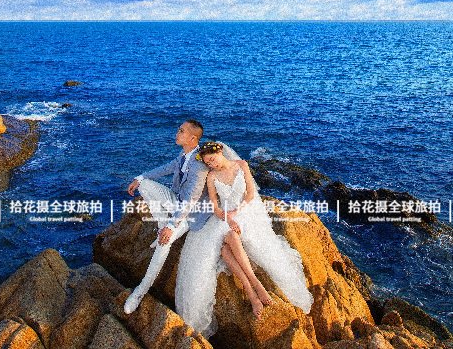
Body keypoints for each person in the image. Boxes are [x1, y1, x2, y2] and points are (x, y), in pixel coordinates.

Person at [174, 140, 313, 337]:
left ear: (220, 151)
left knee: (226, 247)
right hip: (224, 217)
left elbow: (250, 194)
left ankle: (252, 291)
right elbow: (215, 206)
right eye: (208, 163)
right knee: (226, 240)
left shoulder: (241, 165)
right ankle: (254, 288)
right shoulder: (211, 176)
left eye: (212, 159)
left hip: (245, 211)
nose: (212, 164)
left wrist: (236, 212)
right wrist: (228, 217)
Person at [123, 119, 240, 314]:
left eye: (181, 131)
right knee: (144, 185)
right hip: (177, 200)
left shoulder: (199, 165)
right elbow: (167, 167)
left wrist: (171, 226)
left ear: (193, 138)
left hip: (190, 213)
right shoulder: (185, 154)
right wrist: (141, 177)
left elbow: (191, 200)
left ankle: (140, 291)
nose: (177, 133)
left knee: (164, 242)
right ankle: (162, 224)